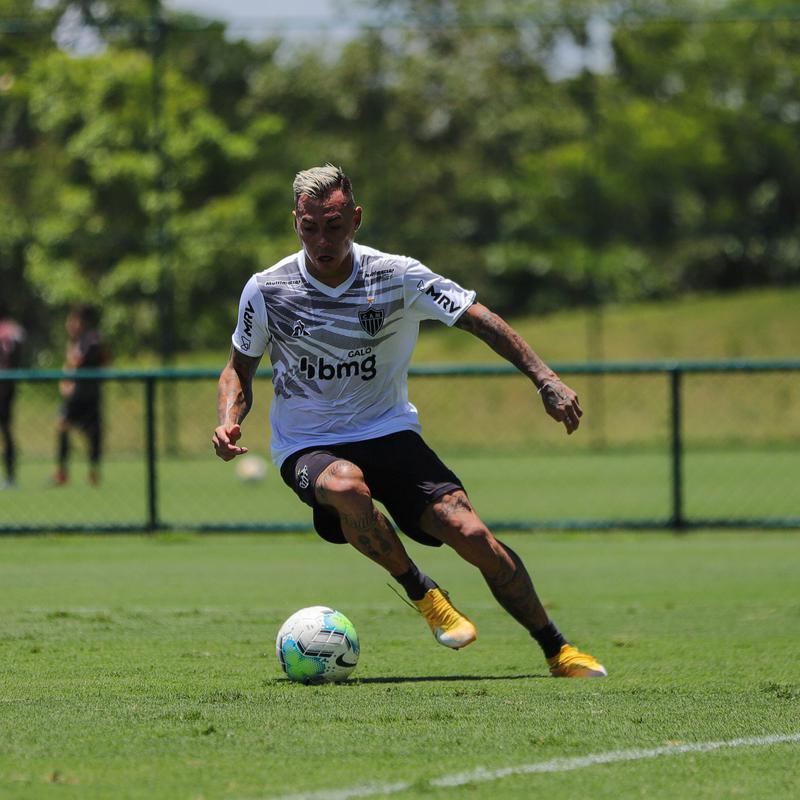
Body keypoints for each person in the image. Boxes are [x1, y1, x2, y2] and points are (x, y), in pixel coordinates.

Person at [213, 165, 606, 678]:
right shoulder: (267, 289)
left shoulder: (396, 275)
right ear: (295, 222)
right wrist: (228, 419)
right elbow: (237, 369)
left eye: (333, 225)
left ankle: (558, 649)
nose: (322, 240)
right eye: (310, 227)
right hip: (308, 443)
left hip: (389, 431)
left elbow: (478, 318)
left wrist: (545, 379)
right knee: (349, 488)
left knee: (470, 533)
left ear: (356, 218)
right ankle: (424, 593)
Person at [54, 305, 109, 486]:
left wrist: (68, 378)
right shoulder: (78, 340)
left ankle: (91, 473)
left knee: (91, 432)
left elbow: (78, 361)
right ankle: (63, 472)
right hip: (80, 394)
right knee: (65, 427)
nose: (69, 324)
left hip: (85, 394)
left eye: (72, 320)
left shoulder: (90, 339)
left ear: (81, 322)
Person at [0, 309, 25, 489]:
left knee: (6, 430)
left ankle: (10, 476)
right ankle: (10, 476)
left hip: (5, 386)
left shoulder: (8, 330)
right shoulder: (14, 329)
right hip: (8, 386)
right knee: (6, 430)